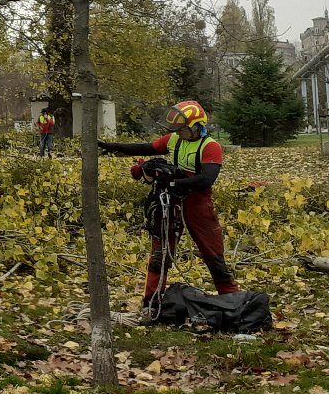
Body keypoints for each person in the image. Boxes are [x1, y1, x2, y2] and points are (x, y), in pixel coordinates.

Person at [99, 99, 240, 304]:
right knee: (160, 252)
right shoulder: (174, 139)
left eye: (181, 129)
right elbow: (145, 147)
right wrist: (113, 146)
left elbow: (206, 179)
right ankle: (152, 301)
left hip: (197, 203)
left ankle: (232, 298)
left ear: (195, 127)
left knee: (212, 252)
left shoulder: (210, 147)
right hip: (170, 203)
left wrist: (173, 182)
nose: (177, 133)